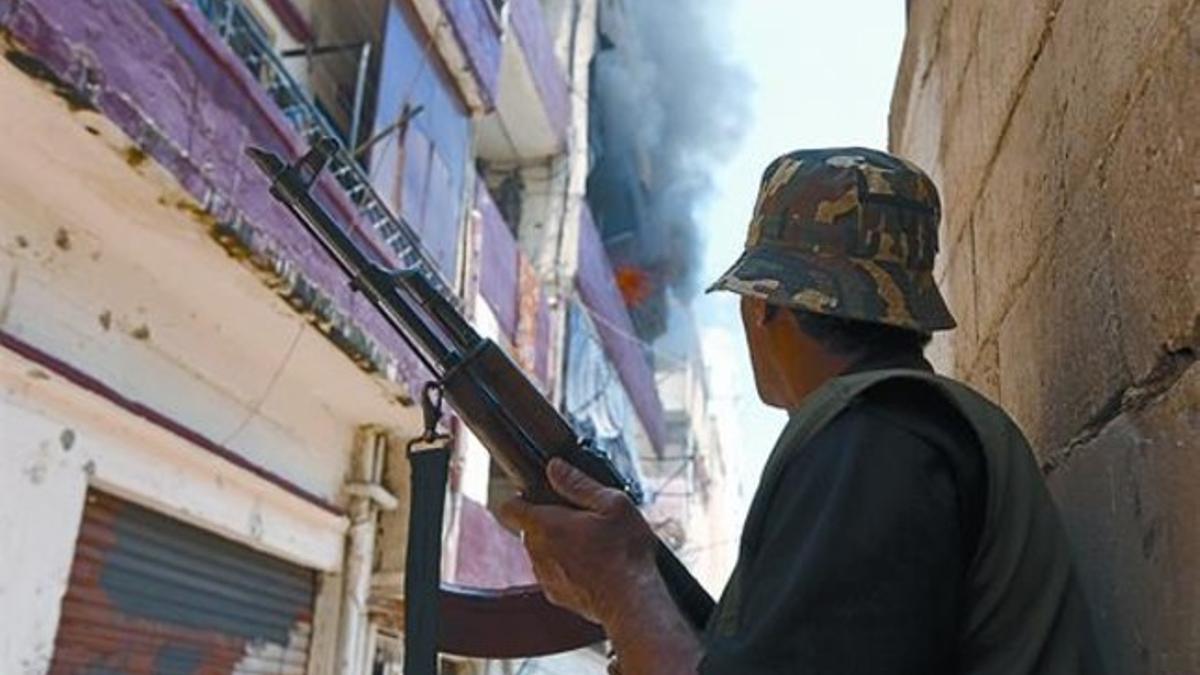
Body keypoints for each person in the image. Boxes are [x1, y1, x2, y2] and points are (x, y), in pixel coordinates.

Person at [498, 149, 1101, 674]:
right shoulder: (902, 430)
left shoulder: (873, 439)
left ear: (767, 307)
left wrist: (621, 587)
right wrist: (635, 578)